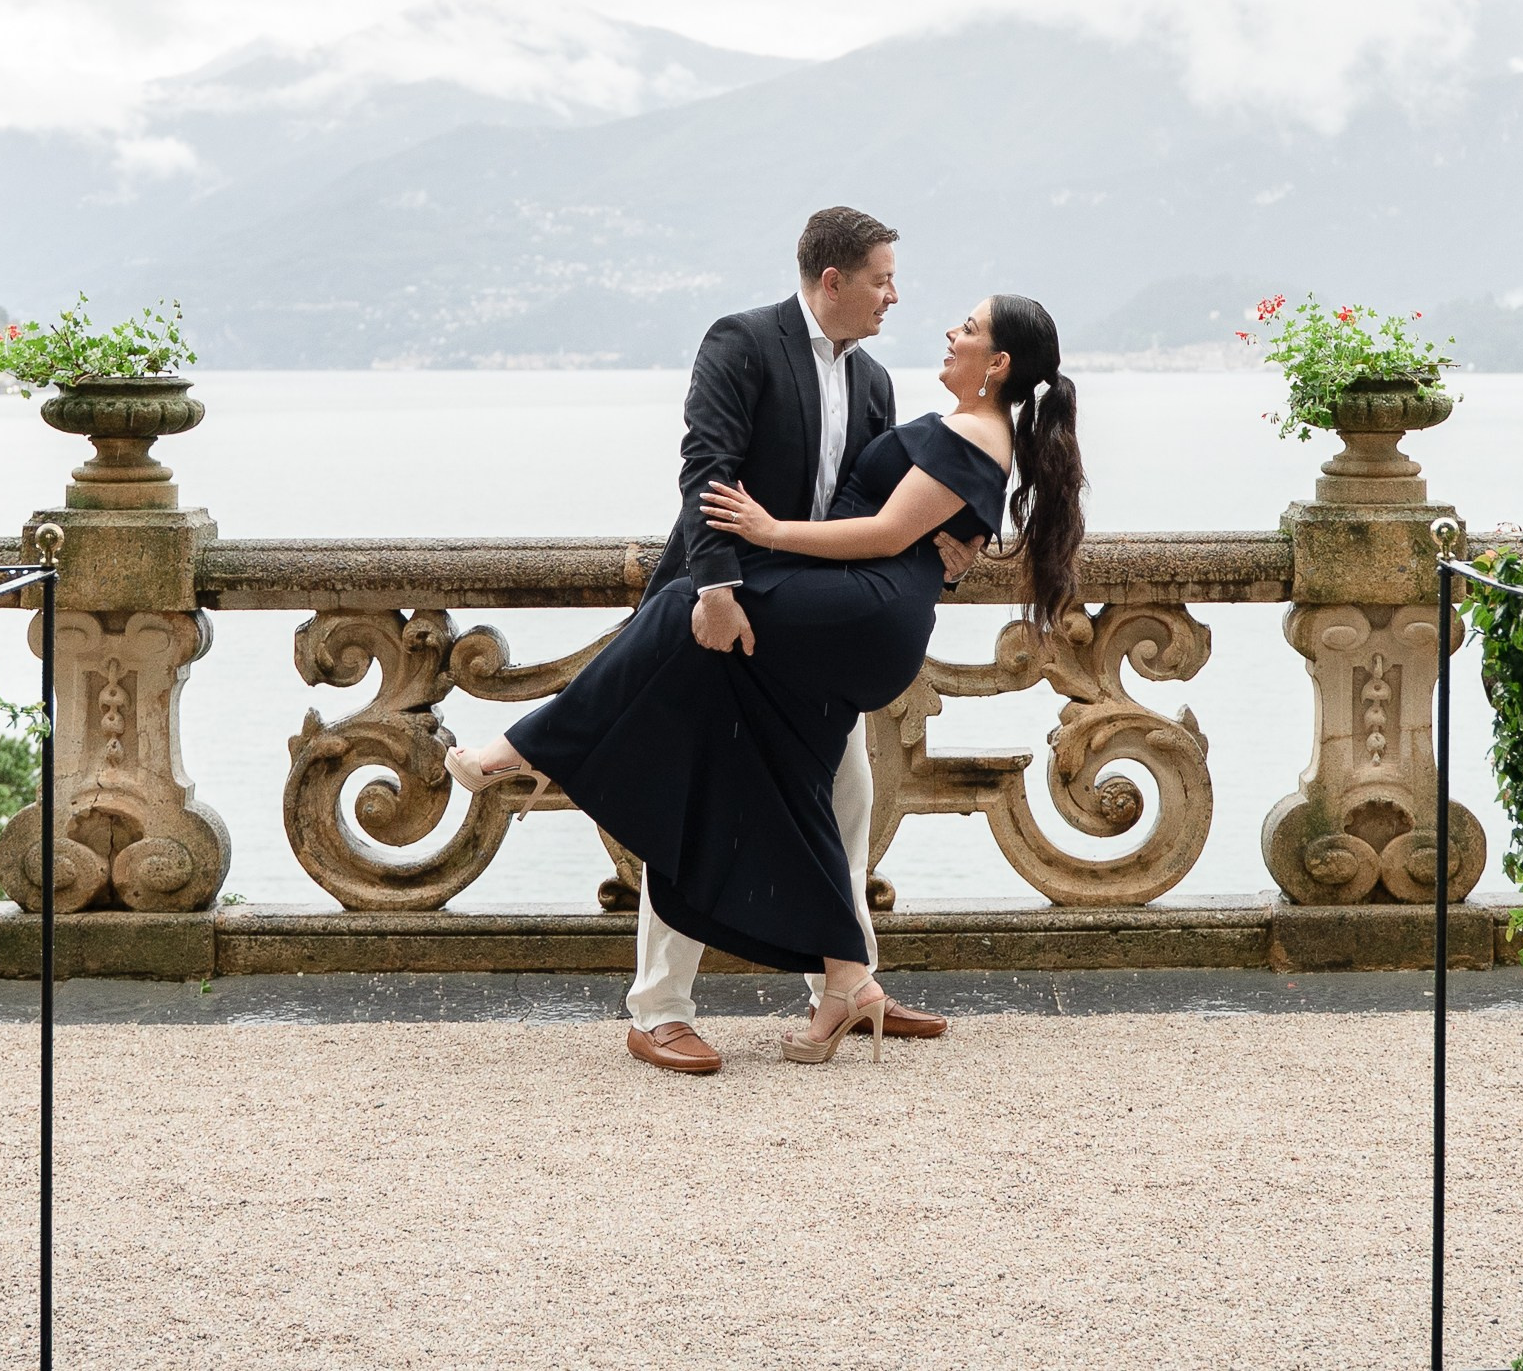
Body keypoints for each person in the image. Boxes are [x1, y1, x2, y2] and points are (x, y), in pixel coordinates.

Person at [449, 283, 1085, 1072]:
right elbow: (710, 465)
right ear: (834, 280)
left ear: (998, 364)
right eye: (883, 278)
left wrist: (773, 534)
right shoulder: (747, 344)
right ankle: (809, 988)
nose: (904, 300)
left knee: (698, 640)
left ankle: (528, 746)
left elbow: (894, 525)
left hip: (839, 614)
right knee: (804, 787)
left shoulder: (884, 389)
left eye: (969, 325)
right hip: (817, 611)